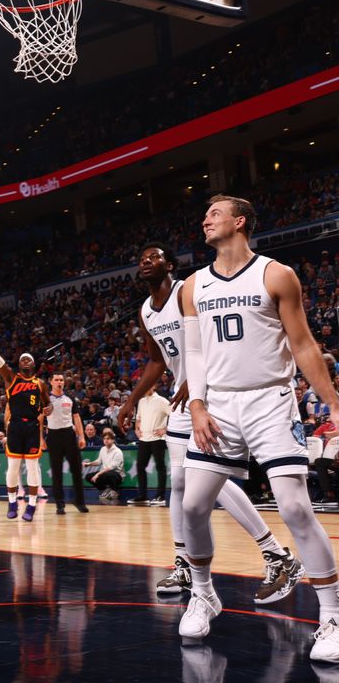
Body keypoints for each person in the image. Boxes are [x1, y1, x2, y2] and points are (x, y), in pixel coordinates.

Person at [177, 196, 339, 661]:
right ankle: (204, 593)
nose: (205, 219)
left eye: (215, 213)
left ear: (240, 221)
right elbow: (197, 353)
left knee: (294, 507)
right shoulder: (193, 285)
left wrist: (332, 402)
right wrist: (199, 404)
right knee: (192, 504)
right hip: (219, 405)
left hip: (271, 398)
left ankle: (331, 615)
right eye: (205, 213)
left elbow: (304, 344)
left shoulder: (276, 274)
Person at [120, 242, 303, 599]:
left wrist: (196, 381)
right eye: (141, 258)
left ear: (170, 264)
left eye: (154, 256)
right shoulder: (145, 311)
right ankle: (183, 564)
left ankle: (275, 552)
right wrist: (132, 399)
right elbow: (157, 361)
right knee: (179, 483)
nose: (146, 261)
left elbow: (215, 337)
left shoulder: (188, 290)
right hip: (182, 403)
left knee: (208, 480)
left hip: (213, 395)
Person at [0, 318, 51, 521]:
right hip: (14, 426)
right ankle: (12, 502)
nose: (25, 361)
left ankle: (31, 506)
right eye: (22, 359)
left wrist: (49, 409)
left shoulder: (40, 384)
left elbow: (47, 405)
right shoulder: (11, 378)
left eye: (28, 359)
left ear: (34, 364)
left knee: (33, 468)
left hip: (32, 427)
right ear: (18, 364)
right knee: (13, 467)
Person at [46, 373, 87, 514]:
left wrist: (81, 436)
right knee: (57, 472)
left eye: (61, 380)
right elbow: (39, 419)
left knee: (77, 470)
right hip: (53, 435)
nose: (59, 382)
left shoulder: (70, 398)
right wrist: (40, 439)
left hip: (69, 435)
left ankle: (80, 501)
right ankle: (60, 504)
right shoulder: (46, 399)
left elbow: (76, 417)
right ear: (51, 382)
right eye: (56, 380)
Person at [128, 385, 170, 505]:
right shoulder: (141, 401)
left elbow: (176, 416)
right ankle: (143, 496)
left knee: (160, 467)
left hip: (158, 438)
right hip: (143, 439)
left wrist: (165, 429)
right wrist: (136, 428)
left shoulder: (162, 401)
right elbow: (138, 418)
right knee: (140, 466)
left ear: (154, 386)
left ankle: (160, 497)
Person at [82, 429, 123, 499]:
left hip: (117, 475)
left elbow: (110, 468)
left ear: (113, 440)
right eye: (104, 439)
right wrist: (88, 464)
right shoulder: (102, 449)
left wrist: (97, 474)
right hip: (105, 473)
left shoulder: (118, 452)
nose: (106, 440)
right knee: (88, 476)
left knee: (109, 473)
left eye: (108, 439)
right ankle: (105, 490)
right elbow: (98, 461)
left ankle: (115, 491)